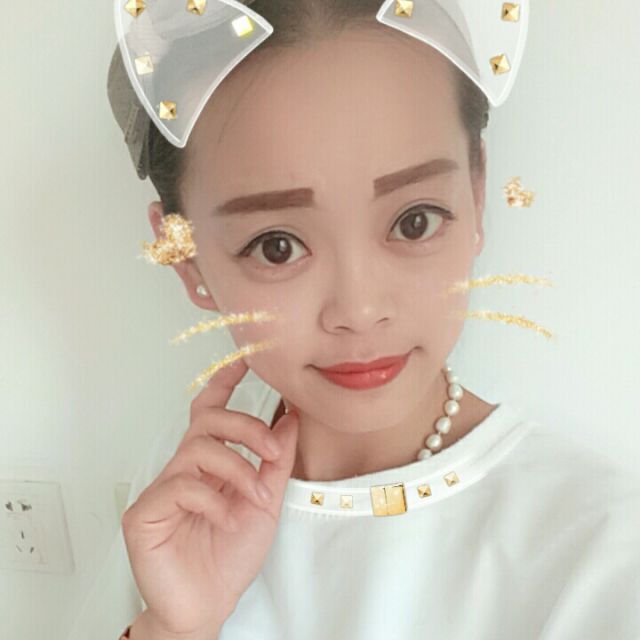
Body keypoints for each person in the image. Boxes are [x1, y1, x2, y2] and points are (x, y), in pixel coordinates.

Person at [69, 1, 640, 639]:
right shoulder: (193, 482)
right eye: (277, 246)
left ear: (477, 196)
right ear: (187, 257)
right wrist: (173, 629)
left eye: (414, 221)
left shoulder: (602, 552)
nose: (360, 311)